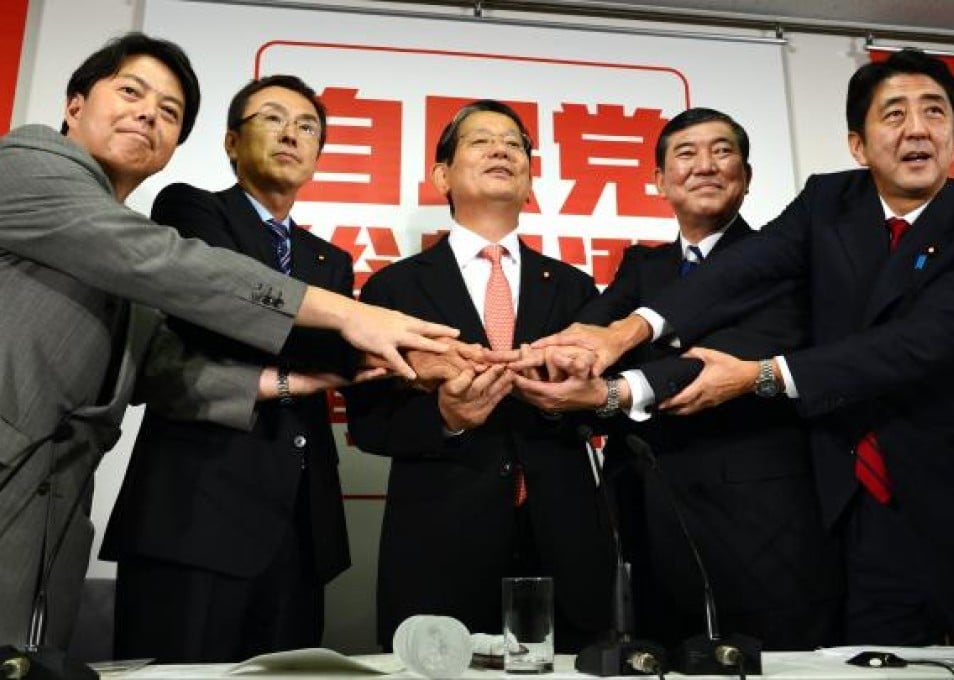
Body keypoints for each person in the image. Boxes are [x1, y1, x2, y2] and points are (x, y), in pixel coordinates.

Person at [536, 49, 954, 645]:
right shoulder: (828, 203)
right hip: (853, 506)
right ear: (858, 145)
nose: (916, 129)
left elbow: (912, 345)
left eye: (934, 112)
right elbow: (741, 270)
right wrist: (625, 331)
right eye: (894, 114)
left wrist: (759, 375)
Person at [0, 33, 455, 649]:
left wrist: (296, 379)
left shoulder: (131, 248)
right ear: (75, 103)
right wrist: (347, 315)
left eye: (169, 112)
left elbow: (159, 368)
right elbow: (171, 265)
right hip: (176, 511)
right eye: (131, 92)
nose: (148, 114)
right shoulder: (27, 164)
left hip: (57, 509)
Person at [512, 108, 842, 651]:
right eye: (686, 154)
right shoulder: (642, 269)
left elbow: (726, 356)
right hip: (644, 525)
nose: (705, 166)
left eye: (722, 151)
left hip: (759, 530)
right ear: (659, 181)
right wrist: (548, 363)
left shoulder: (786, 261)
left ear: (747, 176)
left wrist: (618, 385)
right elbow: (590, 338)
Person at [99, 75, 359, 661]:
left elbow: (339, 354)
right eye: (273, 118)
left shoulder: (331, 260)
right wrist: (336, 340)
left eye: (307, 127)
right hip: (194, 514)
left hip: (301, 528)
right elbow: (213, 317)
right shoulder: (191, 209)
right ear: (232, 142)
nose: (291, 135)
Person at [344, 100, 614, 652]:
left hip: (563, 543)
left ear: (530, 181)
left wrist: (569, 398)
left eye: (514, 144)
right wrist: (446, 418)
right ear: (441, 175)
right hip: (441, 544)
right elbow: (368, 424)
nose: (501, 151)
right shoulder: (393, 290)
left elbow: (607, 402)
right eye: (481, 141)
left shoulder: (575, 289)